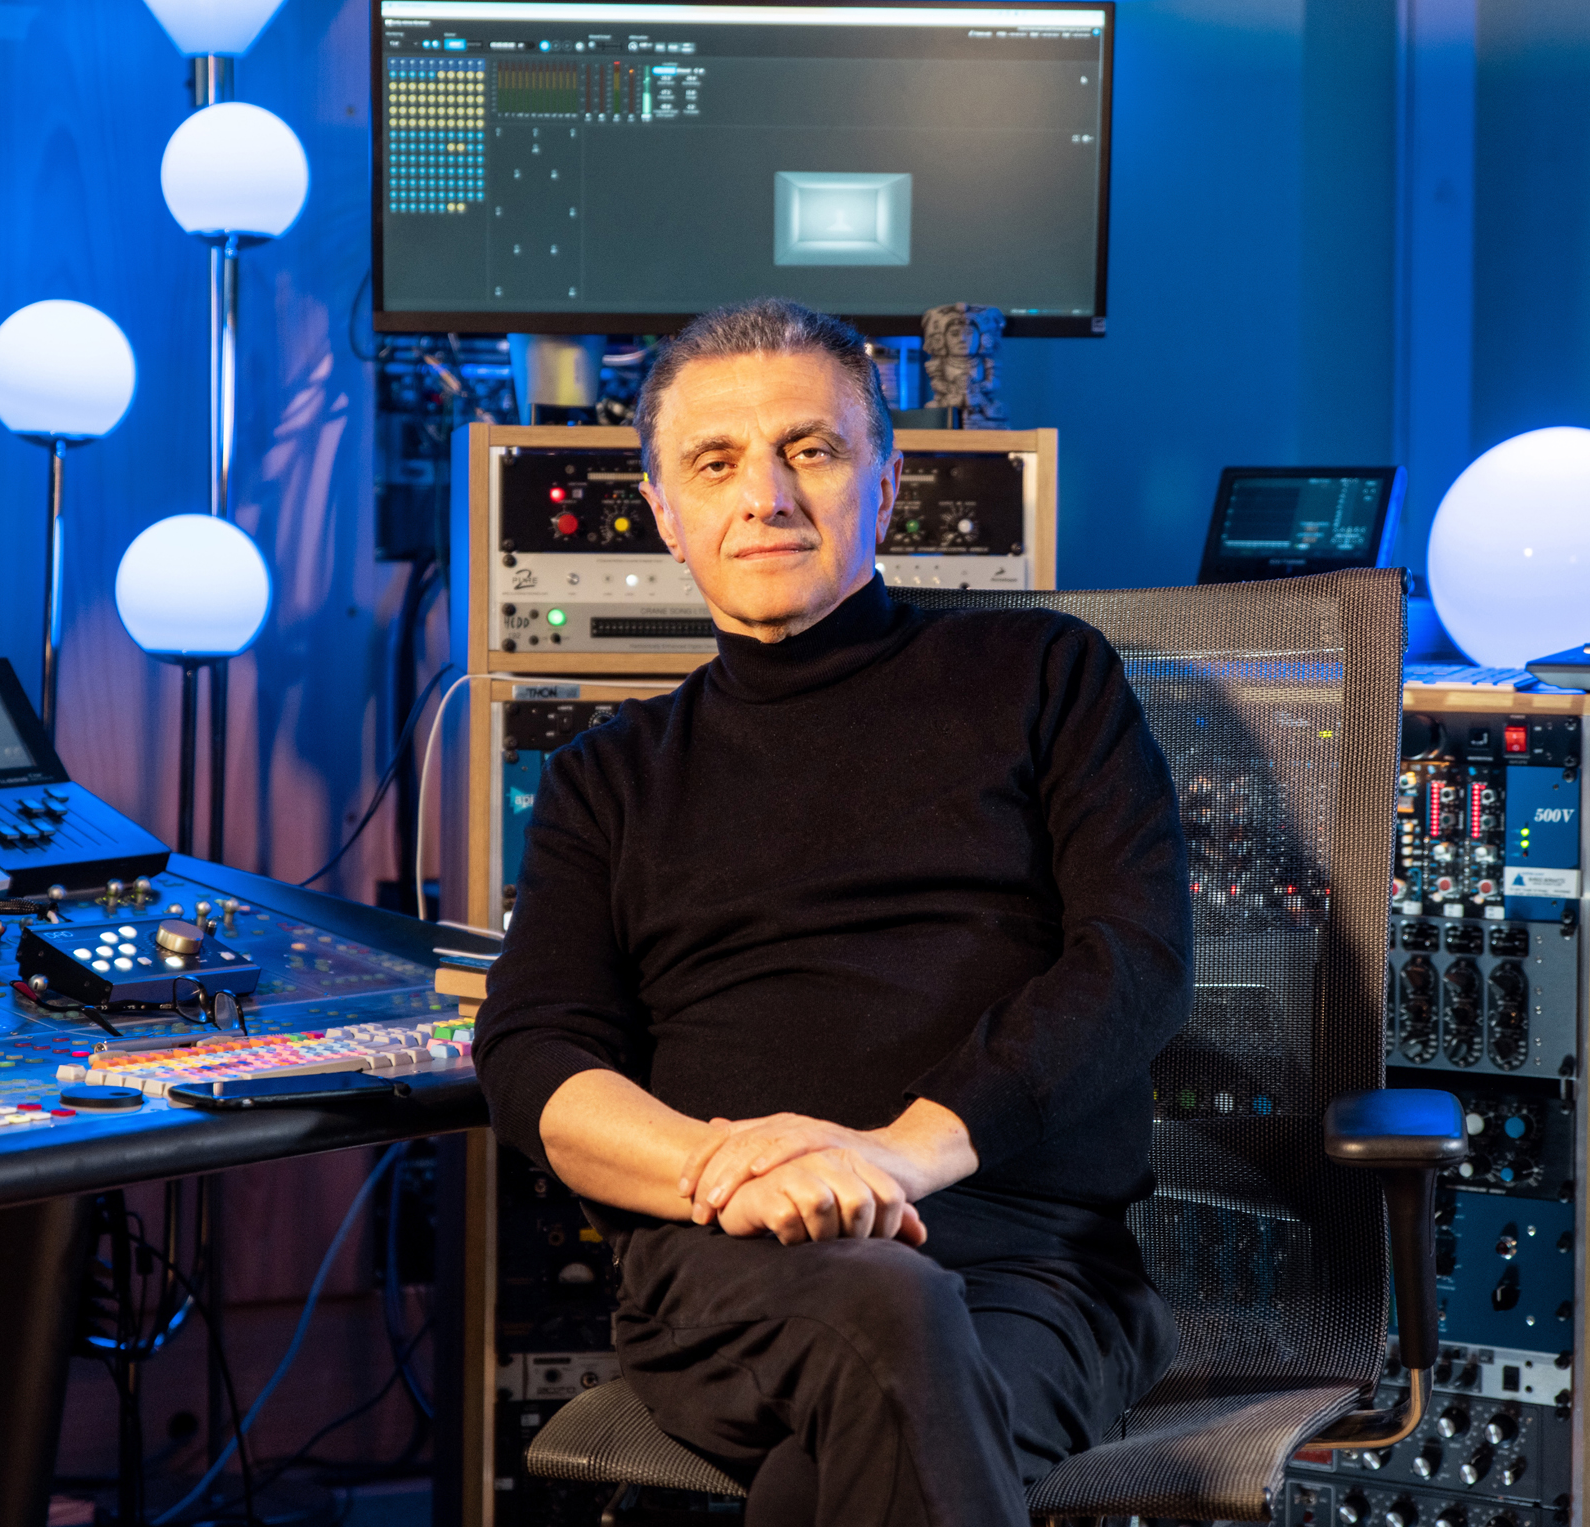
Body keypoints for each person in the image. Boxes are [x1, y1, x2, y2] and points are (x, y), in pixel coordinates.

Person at [474, 298, 1192, 1527]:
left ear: (886, 481)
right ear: (664, 512)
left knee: (824, 1473)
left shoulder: (1042, 674)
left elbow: (1135, 959)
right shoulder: (609, 777)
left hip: (1027, 1266)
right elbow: (531, 1050)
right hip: (726, 1266)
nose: (765, 496)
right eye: (714, 462)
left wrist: (898, 1152)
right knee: (885, 1316)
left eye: (809, 449)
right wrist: (718, 1171)